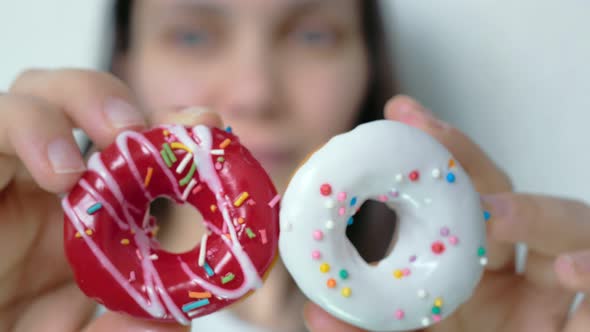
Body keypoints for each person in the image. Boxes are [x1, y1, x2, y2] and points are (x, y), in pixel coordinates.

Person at [0, 0, 588, 331]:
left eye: (310, 35)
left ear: (367, 65)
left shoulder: (458, 315)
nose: (256, 93)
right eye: (192, 35)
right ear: (125, 60)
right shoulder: (41, 299)